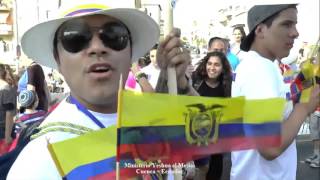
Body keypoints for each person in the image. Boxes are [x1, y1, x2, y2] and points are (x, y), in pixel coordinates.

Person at [7, 1, 192, 179]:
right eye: (75, 38)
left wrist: (179, 82)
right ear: (58, 59)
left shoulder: (150, 123)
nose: (97, 48)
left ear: (131, 55)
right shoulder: (40, 162)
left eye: (113, 36)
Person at [231, 4, 320, 180]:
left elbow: (275, 106)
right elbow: (270, 147)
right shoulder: (260, 68)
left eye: (294, 25)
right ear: (261, 30)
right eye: (287, 24)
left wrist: (300, 82)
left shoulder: (262, 64)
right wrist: (304, 108)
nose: (295, 33)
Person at [192, 51, 232, 180]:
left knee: (214, 173)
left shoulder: (227, 86)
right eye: (209, 64)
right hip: (196, 140)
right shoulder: (195, 82)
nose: (212, 68)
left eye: (216, 65)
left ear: (223, 68)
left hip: (217, 141)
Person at [0, 64, 16, 156]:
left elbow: (9, 113)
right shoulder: (5, 88)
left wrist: (7, 136)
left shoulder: (5, 88)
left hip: (3, 130)